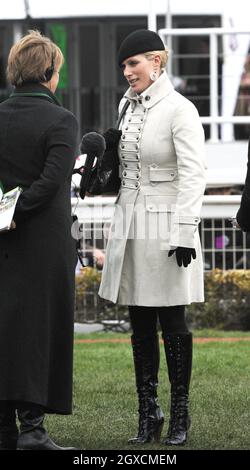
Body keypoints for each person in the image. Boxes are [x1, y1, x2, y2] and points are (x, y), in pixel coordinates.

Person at [98, 29, 206, 446]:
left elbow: (194, 175)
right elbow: (125, 171)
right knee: (139, 321)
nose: (127, 73)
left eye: (133, 64)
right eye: (124, 66)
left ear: (156, 62)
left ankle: (180, 412)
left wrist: (183, 231)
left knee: (173, 321)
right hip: (130, 222)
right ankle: (149, 411)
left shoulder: (181, 109)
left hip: (166, 226)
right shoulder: (125, 106)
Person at [0, 30, 78, 450]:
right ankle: (33, 428)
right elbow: (51, 182)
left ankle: (4, 429)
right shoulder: (61, 120)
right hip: (43, 240)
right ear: (49, 73)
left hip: (2, 241)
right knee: (38, 329)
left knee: (4, 328)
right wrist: (18, 211)